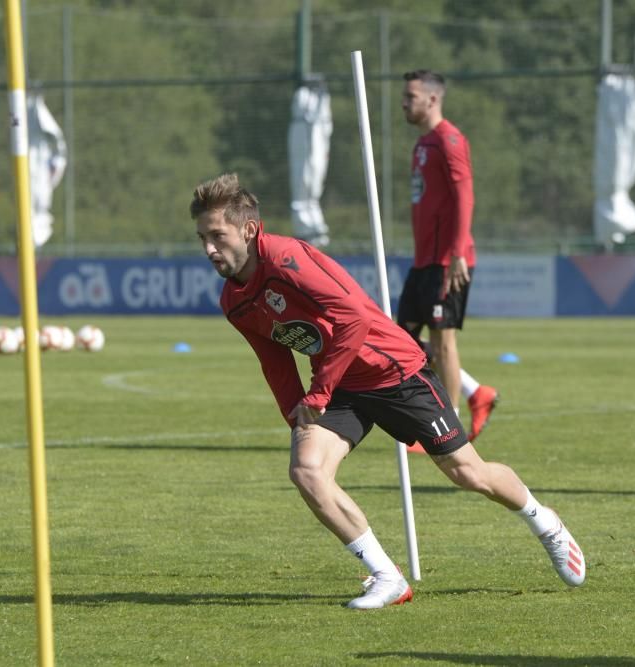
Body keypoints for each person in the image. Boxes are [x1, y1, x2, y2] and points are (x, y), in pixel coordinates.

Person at [191, 173, 586, 608]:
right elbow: (273, 357)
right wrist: (294, 412)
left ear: (248, 229)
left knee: (468, 473)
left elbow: (355, 318)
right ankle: (386, 576)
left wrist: (318, 393)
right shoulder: (234, 300)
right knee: (307, 471)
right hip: (341, 386)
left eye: (217, 235)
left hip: (395, 372)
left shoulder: (288, 259)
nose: (209, 248)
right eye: (202, 238)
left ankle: (544, 522)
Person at [398, 69, 499, 442]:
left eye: (410, 96)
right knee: (400, 340)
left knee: (443, 341)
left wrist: (457, 253)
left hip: (447, 261)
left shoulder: (450, 140)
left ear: (432, 99)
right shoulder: (423, 144)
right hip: (423, 261)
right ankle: (476, 392)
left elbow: (464, 197)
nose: (404, 103)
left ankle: (448, 428)